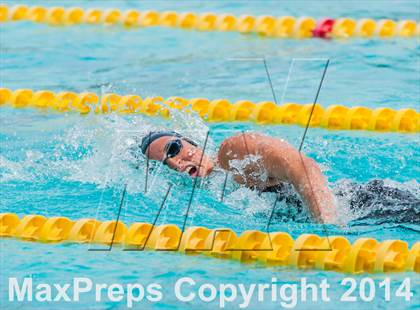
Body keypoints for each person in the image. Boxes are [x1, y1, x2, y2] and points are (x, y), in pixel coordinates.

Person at [139, 131, 336, 224]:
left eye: (173, 149)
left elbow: (302, 166)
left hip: (359, 209)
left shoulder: (230, 155)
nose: (175, 163)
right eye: (164, 164)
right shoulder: (210, 193)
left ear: (192, 143)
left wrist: (328, 228)